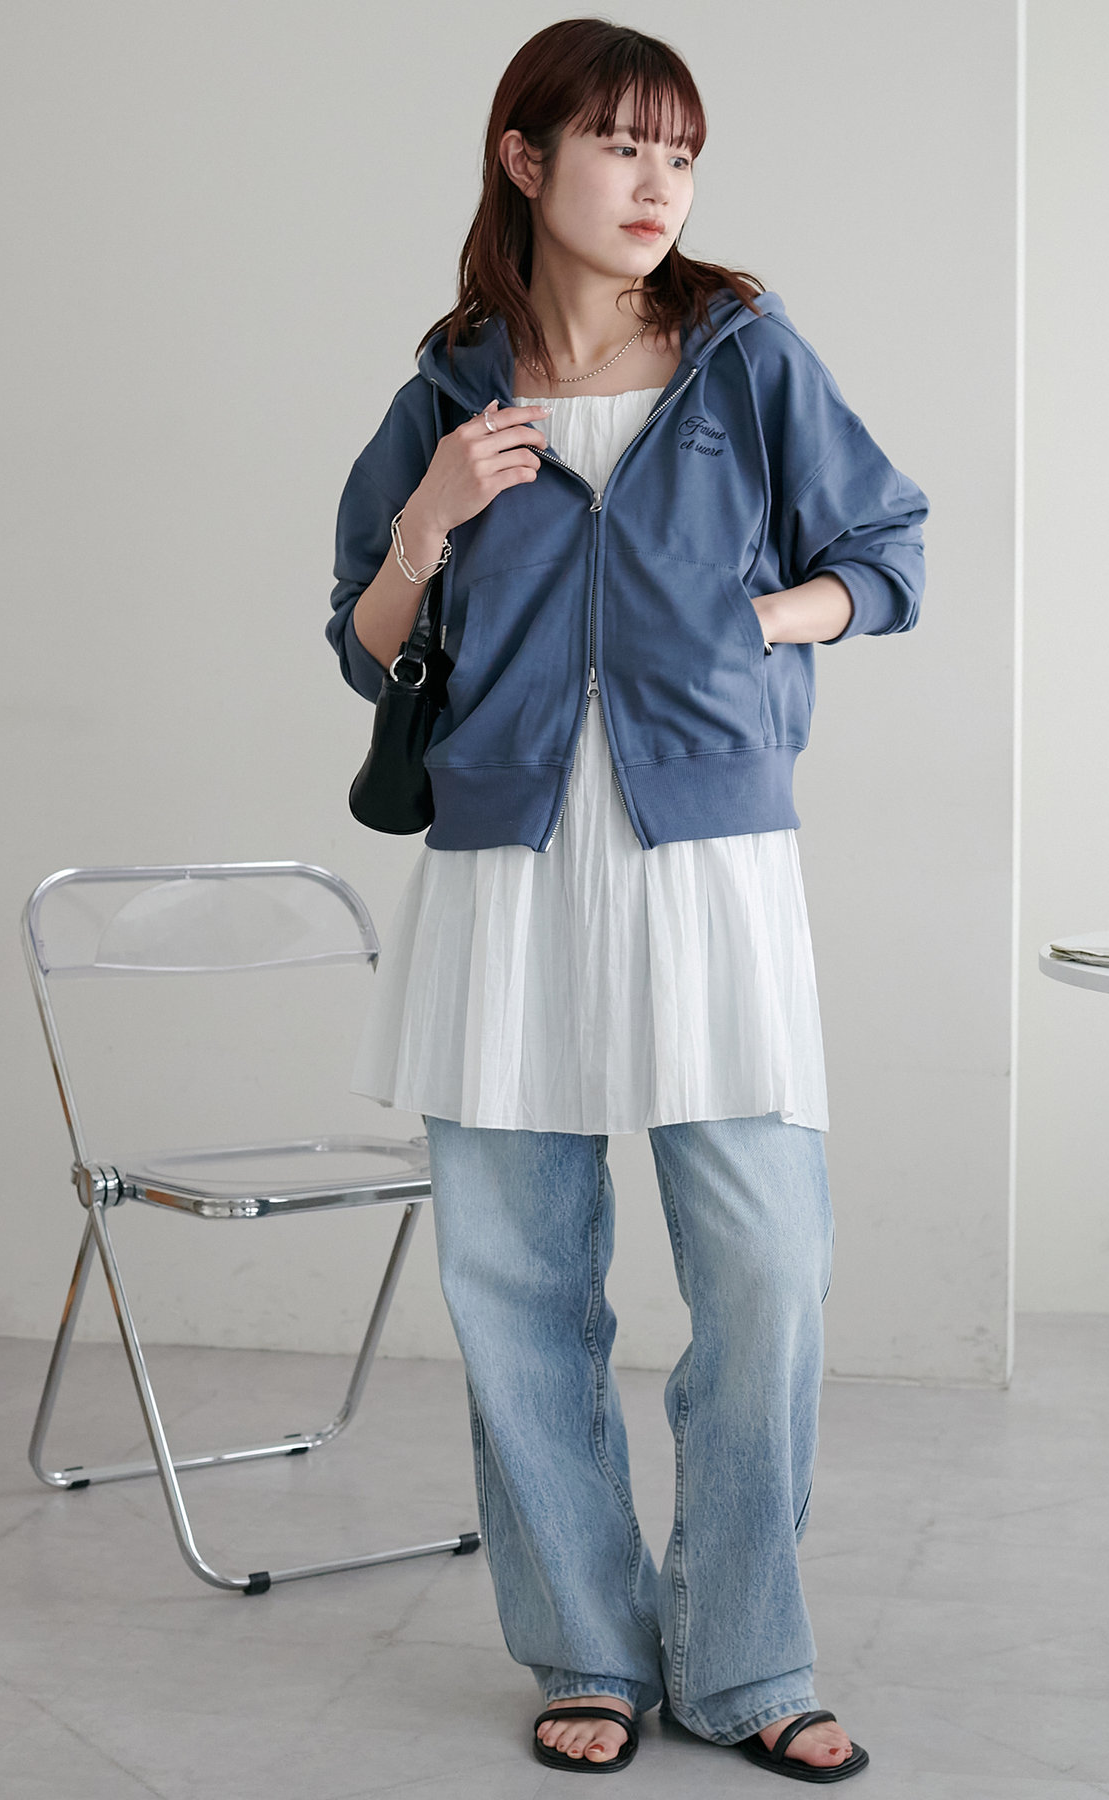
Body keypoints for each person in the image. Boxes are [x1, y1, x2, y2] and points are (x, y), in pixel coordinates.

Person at [325, 18, 924, 1783]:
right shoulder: (449, 388)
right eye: (620, 147)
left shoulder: (745, 358)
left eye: (682, 154)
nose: (659, 185)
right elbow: (363, 647)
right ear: (527, 159)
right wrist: (429, 521)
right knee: (518, 1293)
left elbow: (886, 557)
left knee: (767, 1272)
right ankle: (585, 1644)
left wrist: (758, 624)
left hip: (705, 869)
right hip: (504, 880)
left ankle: (746, 1657)